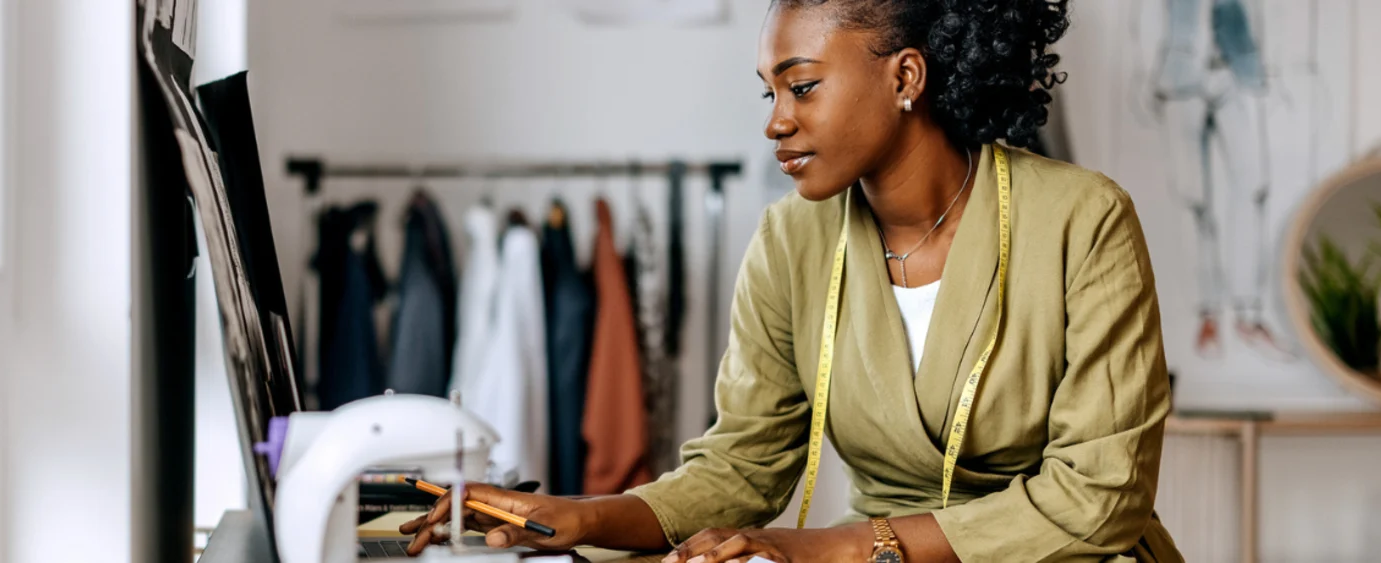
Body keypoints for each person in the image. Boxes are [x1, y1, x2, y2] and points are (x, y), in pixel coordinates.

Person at [400, 0, 1183, 561]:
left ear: (905, 76)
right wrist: (577, 515)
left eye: (801, 86)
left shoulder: (1083, 218)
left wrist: (838, 547)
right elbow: (742, 465)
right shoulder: (791, 238)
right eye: (768, 92)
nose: (775, 119)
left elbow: (1100, 496)